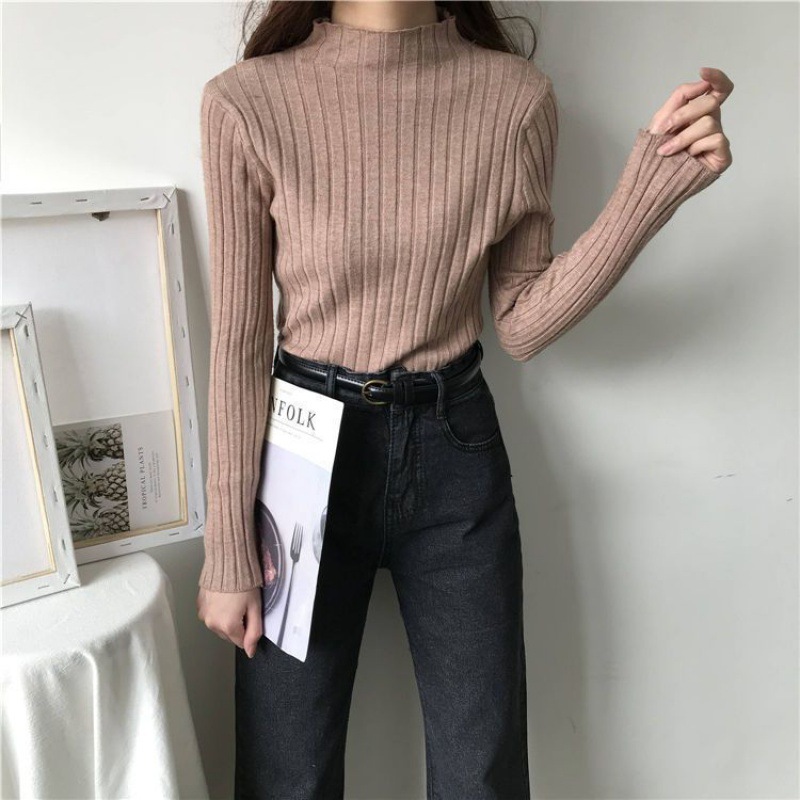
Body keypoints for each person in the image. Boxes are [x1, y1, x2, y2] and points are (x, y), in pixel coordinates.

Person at [195, 2, 733, 797]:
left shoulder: (515, 99)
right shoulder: (246, 102)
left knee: (482, 774)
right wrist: (228, 549)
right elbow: (240, 343)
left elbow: (521, 322)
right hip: (302, 456)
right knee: (287, 774)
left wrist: (649, 191)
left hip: (453, 449)